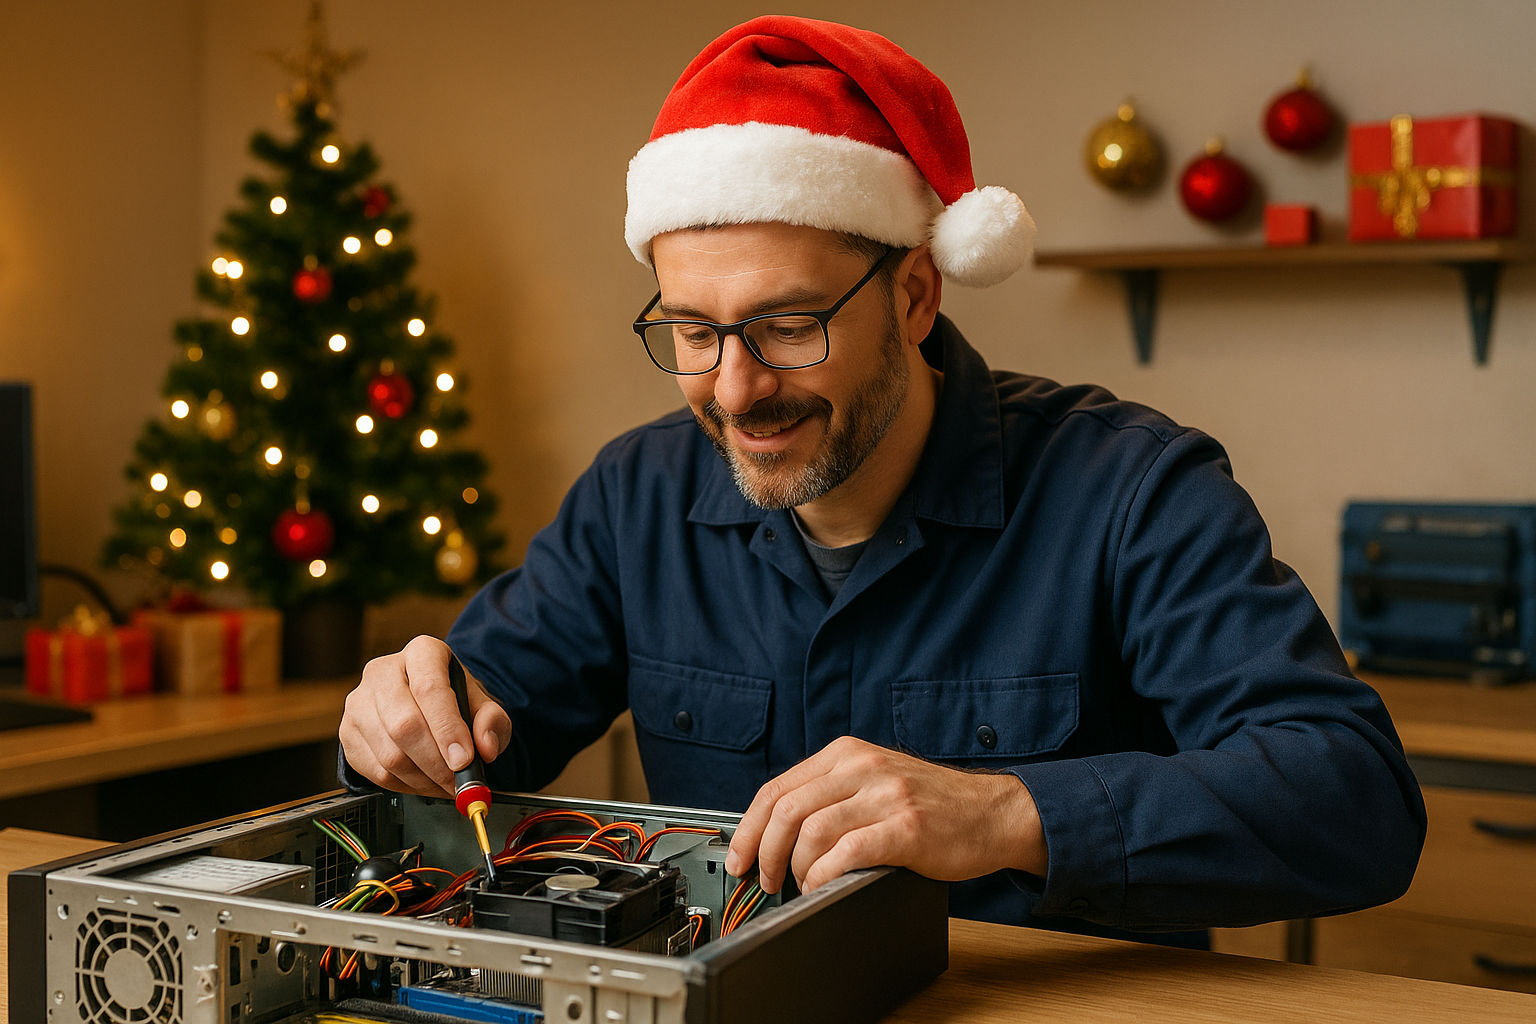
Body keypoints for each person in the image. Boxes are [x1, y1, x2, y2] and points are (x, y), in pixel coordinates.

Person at [339, 15, 1425, 945]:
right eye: (691, 332)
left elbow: (1357, 800)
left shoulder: (1132, 489)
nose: (734, 389)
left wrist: (1006, 814)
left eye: (787, 325)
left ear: (914, 296)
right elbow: (468, 733)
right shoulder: (634, 499)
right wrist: (404, 727)